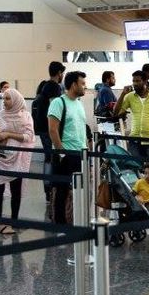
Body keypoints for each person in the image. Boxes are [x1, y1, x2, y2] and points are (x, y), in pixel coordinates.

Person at [0, 88, 35, 234]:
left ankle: (14, 221)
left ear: (17, 100)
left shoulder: (26, 116)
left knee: (16, 190)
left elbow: (29, 136)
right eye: (3, 98)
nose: (4, 101)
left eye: (8, 98)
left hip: (17, 157)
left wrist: (8, 134)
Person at [47, 71, 88, 225]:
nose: (85, 86)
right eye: (82, 83)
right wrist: (62, 153)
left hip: (80, 154)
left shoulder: (79, 104)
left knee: (78, 191)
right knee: (61, 191)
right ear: (73, 85)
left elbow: (81, 129)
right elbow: (52, 129)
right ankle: (60, 224)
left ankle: (75, 220)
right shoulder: (58, 102)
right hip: (66, 154)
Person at [114, 70, 149, 161]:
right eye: (133, 81)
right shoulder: (129, 97)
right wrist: (123, 94)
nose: (135, 84)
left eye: (138, 81)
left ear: (145, 82)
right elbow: (116, 113)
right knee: (136, 167)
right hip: (135, 140)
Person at [36, 61, 65, 202]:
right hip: (49, 128)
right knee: (51, 158)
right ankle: (50, 189)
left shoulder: (44, 85)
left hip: (42, 127)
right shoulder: (54, 87)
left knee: (49, 157)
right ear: (59, 73)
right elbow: (55, 108)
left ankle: (49, 189)